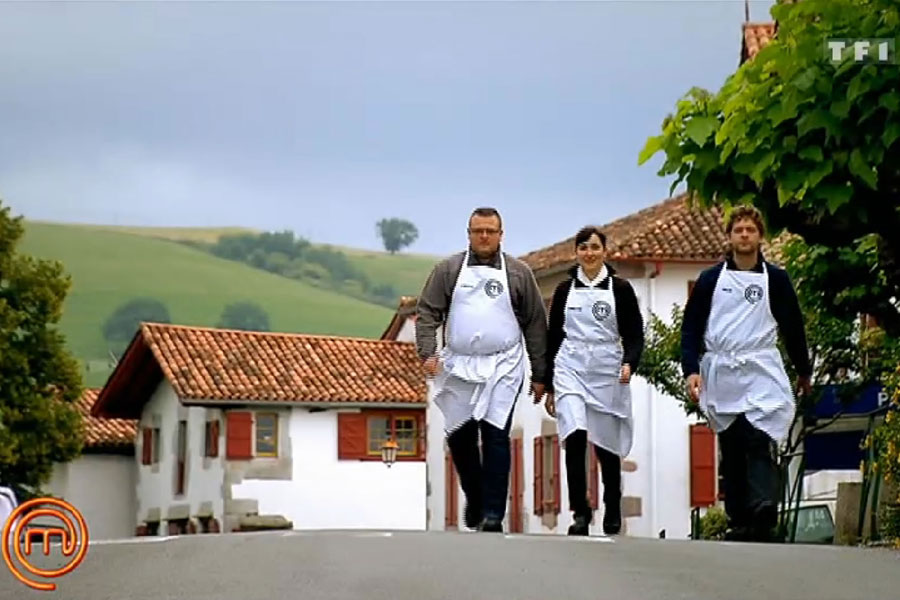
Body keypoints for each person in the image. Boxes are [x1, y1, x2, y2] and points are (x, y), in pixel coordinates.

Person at [681, 205, 812, 542]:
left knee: (759, 435)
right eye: (738, 230)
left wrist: (803, 370)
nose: (744, 235)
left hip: (760, 366)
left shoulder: (777, 280)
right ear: (729, 236)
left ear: (760, 236)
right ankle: (739, 517)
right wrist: (691, 370)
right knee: (733, 442)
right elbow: (691, 327)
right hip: (722, 369)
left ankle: (764, 507)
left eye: (750, 230)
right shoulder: (710, 280)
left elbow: (793, 327)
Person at [416, 207, 548, 533]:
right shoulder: (448, 270)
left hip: (504, 364)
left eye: (490, 231)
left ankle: (492, 513)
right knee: (460, 436)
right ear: (469, 234)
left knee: (495, 435)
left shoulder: (519, 274)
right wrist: (428, 351)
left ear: (501, 235)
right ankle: (474, 495)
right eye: (478, 231)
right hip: (459, 364)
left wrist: (540, 373)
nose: (484, 236)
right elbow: (428, 312)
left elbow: (535, 324)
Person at [541, 226, 644, 536]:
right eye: (583, 247)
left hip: (606, 370)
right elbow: (554, 336)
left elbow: (634, 333)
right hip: (570, 366)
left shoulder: (620, 289)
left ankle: (612, 504)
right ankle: (580, 512)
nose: (589, 253)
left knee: (606, 444)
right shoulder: (564, 291)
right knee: (574, 436)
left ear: (604, 252)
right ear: (576, 253)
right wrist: (549, 383)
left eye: (595, 247)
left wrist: (629, 362)